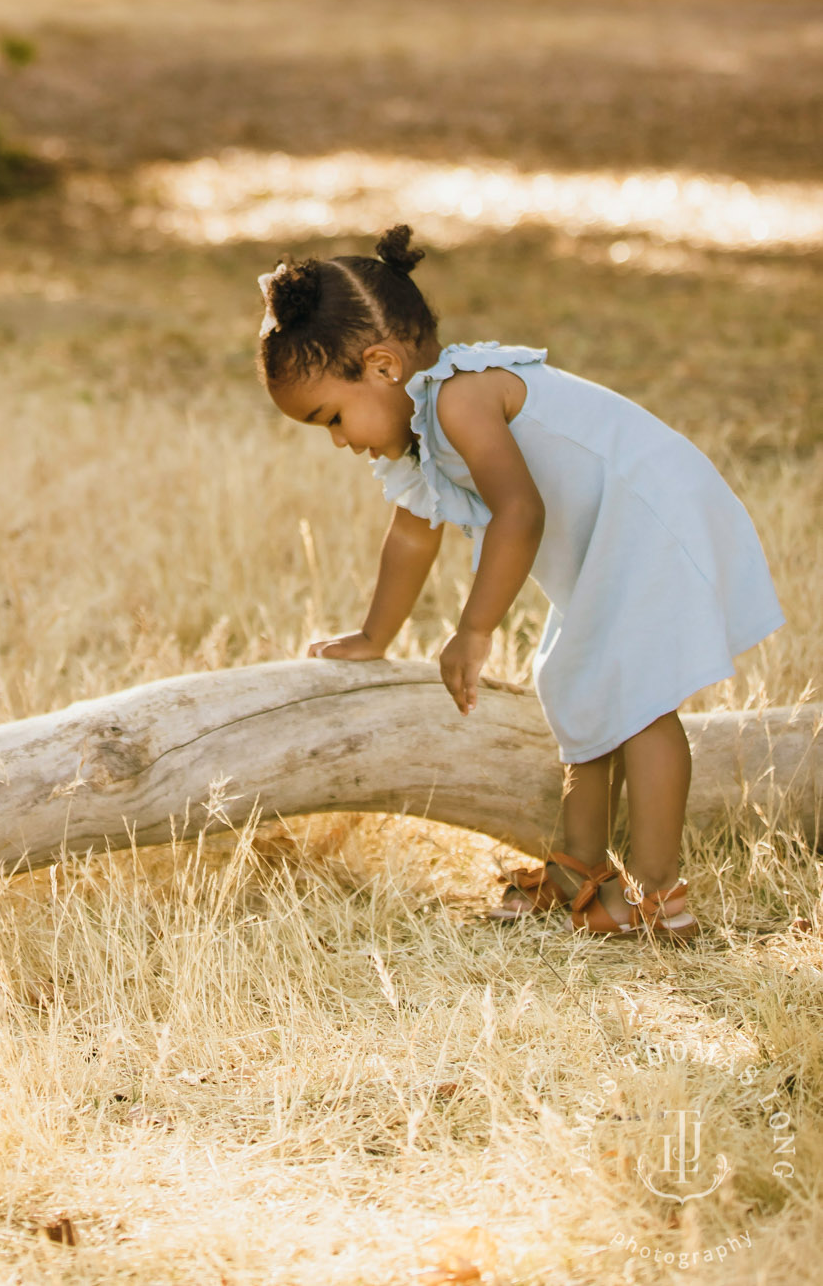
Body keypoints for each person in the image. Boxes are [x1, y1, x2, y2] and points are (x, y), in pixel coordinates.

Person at [257, 226, 783, 942]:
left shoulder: (458, 400)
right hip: (613, 538)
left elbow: (520, 511)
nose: (339, 440)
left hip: (654, 518)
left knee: (640, 701)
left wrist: (475, 629)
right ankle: (578, 871)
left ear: (380, 366)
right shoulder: (420, 433)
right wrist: (372, 636)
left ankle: (660, 897)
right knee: (574, 677)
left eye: (332, 417)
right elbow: (412, 534)